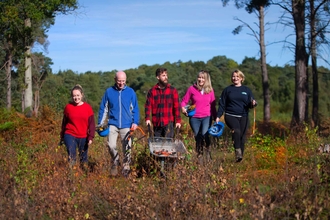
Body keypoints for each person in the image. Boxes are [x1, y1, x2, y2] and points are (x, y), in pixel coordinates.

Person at [98, 71, 140, 177]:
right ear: (115, 80)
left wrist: (135, 122)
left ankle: (126, 168)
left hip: (127, 124)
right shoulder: (109, 92)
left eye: (123, 81)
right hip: (113, 123)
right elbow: (104, 108)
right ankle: (116, 160)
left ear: (125, 80)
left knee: (127, 147)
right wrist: (100, 123)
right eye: (119, 81)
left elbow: (135, 108)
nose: (121, 83)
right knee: (111, 145)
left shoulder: (131, 92)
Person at [215, 69, 257, 162]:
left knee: (242, 137)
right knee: (237, 131)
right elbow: (222, 104)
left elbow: (251, 103)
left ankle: (239, 159)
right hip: (230, 115)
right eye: (233, 76)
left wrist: (253, 103)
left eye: (237, 76)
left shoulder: (246, 90)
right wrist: (218, 116)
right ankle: (237, 151)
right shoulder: (227, 90)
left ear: (241, 78)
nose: (235, 78)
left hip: (244, 116)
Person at [181, 70, 217, 159]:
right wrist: (183, 108)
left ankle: (208, 153)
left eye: (203, 78)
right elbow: (184, 101)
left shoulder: (210, 91)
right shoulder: (191, 89)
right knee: (198, 136)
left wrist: (216, 117)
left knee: (205, 135)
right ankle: (199, 155)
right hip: (194, 117)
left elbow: (213, 106)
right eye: (199, 77)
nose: (200, 79)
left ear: (206, 79)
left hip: (206, 117)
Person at [60, 84, 95, 171]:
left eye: (78, 95)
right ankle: (71, 175)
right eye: (74, 96)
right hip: (70, 134)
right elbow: (64, 123)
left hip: (83, 136)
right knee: (72, 155)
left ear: (82, 95)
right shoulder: (68, 107)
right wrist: (62, 136)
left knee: (83, 158)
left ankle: (84, 176)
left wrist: (90, 137)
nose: (76, 98)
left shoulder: (87, 108)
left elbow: (92, 124)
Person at [145, 67, 181, 138]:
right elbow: (148, 106)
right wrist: (147, 119)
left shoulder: (172, 90)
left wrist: (178, 121)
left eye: (166, 75)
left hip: (169, 123)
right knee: (157, 146)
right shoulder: (152, 91)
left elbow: (176, 107)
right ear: (158, 77)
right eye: (163, 76)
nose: (166, 77)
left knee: (169, 145)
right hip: (157, 123)